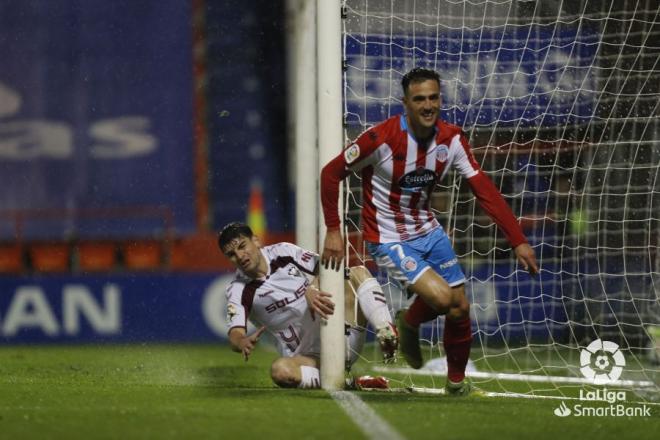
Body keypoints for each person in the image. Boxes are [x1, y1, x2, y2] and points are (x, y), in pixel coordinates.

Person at [320, 67, 538, 396]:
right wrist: (334, 230)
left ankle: (455, 383)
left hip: (429, 231)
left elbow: (486, 191)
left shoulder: (451, 139)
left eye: (434, 97)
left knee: (460, 307)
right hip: (388, 238)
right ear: (405, 103)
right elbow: (330, 173)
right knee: (440, 298)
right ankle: (408, 321)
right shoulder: (380, 139)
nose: (428, 105)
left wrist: (518, 240)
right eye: (419, 99)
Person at [219, 222, 398, 389]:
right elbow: (235, 333)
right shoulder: (238, 289)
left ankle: (386, 330)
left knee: (356, 273)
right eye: (231, 255)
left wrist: (312, 287)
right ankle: (351, 383)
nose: (240, 256)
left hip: (339, 335)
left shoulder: (283, 251)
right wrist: (241, 342)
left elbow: (327, 266)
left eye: (242, 246)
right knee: (280, 371)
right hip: (308, 359)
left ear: (256, 240)